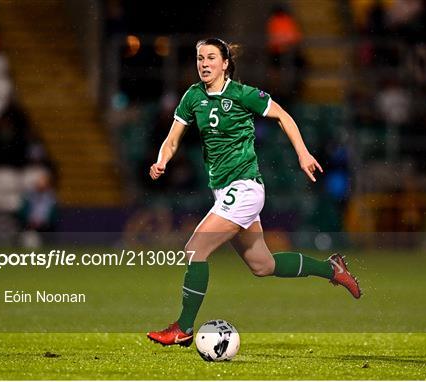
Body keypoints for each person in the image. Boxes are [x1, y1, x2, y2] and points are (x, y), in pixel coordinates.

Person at [147, 38, 361, 347]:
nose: (203, 63)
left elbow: (283, 116)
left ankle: (183, 328)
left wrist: (302, 154)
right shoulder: (193, 96)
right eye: (199, 58)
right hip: (223, 192)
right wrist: (162, 160)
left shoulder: (243, 94)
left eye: (210, 58)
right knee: (263, 265)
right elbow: (172, 138)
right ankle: (331, 268)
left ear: (224, 64)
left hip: (245, 188)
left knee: (196, 249)